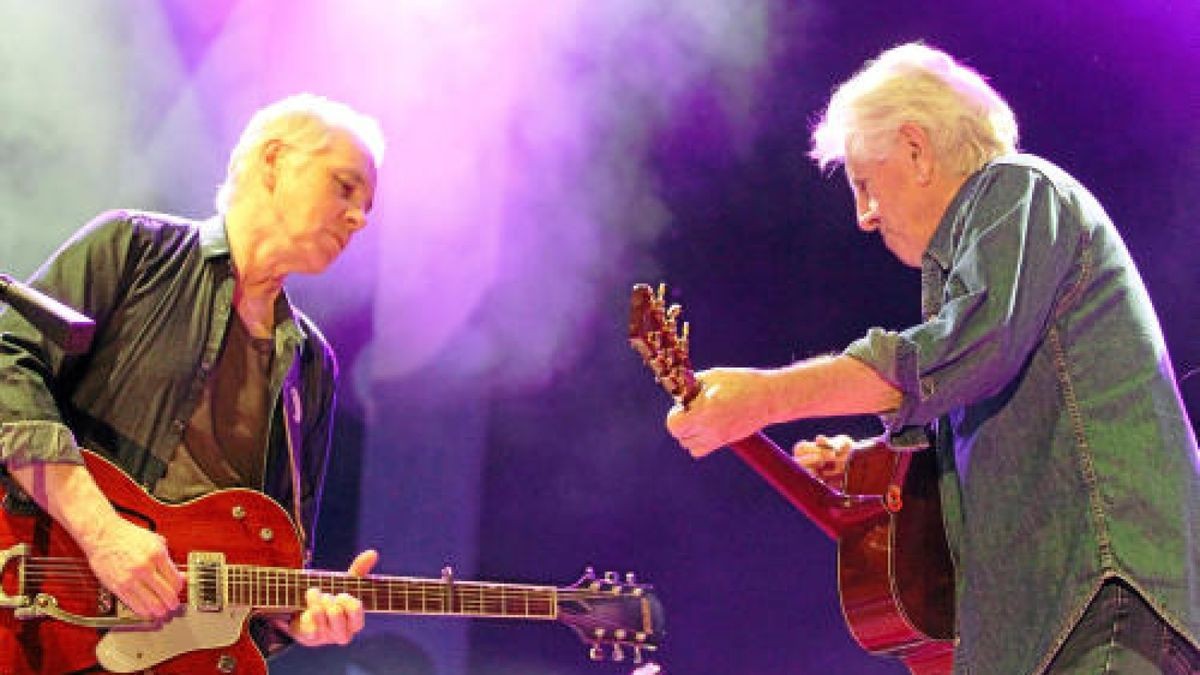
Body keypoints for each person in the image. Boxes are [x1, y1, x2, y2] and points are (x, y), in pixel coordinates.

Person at [665, 43, 1199, 674]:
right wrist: (870, 463)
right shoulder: (997, 249)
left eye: (864, 183)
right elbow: (984, 399)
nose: (864, 216)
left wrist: (769, 396)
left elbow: (955, 353)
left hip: (1104, 602)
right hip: (1064, 623)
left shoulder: (1016, 189)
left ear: (916, 150)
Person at [0, 93, 383, 657]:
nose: (359, 216)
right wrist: (101, 532)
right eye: (344, 187)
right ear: (274, 161)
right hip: (44, 618)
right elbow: (9, 364)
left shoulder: (311, 364)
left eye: (367, 205)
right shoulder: (133, 249)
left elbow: (275, 559)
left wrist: (296, 620)